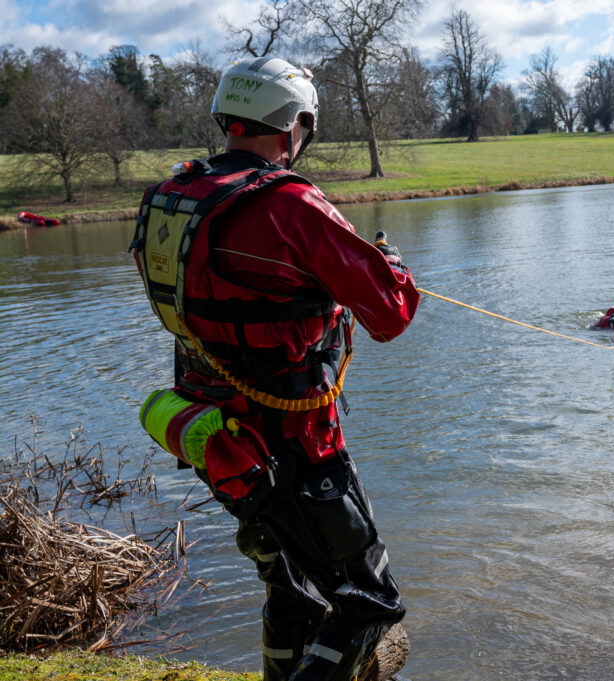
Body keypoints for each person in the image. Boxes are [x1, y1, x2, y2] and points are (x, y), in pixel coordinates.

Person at [130, 57, 418, 681]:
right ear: (293, 125)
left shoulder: (171, 196)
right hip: (294, 447)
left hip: (219, 440)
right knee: (369, 602)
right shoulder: (289, 203)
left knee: (291, 588)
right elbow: (391, 314)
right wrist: (390, 263)